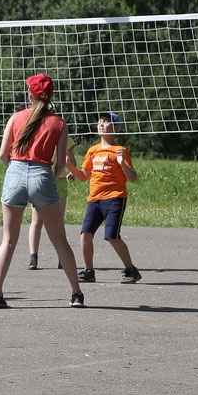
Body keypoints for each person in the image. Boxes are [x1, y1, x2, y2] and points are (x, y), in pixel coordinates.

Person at [0, 74, 84, 309]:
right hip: (42, 173)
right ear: (50, 95)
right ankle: (76, 294)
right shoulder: (59, 123)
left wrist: (16, 171)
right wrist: (49, 180)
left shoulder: (16, 117)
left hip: (15, 172)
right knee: (59, 240)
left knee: (8, 240)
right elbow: (61, 163)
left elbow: (3, 154)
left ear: (30, 94)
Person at [69, 111, 142, 284]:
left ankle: (131, 270)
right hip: (94, 199)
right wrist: (69, 167)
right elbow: (83, 176)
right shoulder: (92, 151)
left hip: (115, 198)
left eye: (106, 122)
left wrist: (122, 164)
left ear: (115, 128)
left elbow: (133, 178)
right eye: (100, 121)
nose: (101, 124)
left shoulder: (120, 150)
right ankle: (89, 271)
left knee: (112, 236)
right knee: (85, 234)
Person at [27, 134, 77, 270]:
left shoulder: (62, 133)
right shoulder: (37, 131)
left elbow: (70, 155)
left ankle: (62, 257)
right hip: (41, 177)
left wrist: (72, 171)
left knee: (58, 220)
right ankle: (33, 256)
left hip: (59, 180)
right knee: (37, 221)